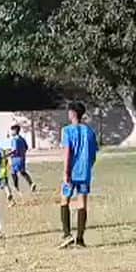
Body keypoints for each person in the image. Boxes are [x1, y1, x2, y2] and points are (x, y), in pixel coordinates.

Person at [59, 101, 100, 248]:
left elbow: (67, 153)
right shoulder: (90, 132)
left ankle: (67, 234)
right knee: (82, 203)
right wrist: (87, 167)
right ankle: (80, 239)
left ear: (73, 114)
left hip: (72, 172)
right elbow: (93, 155)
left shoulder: (67, 131)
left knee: (65, 200)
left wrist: (66, 172)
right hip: (85, 173)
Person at [8, 124, 35, 195]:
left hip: (15, 159)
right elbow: (26, 147)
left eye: (12, 131)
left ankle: (16, 187)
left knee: (13, 173)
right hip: (22, 158)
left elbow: (14, 150)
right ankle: (31, 183)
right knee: (23, 172)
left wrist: (7, 155)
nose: (11, 132)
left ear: (15, 131)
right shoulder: (22, 139)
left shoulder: (14, 139)